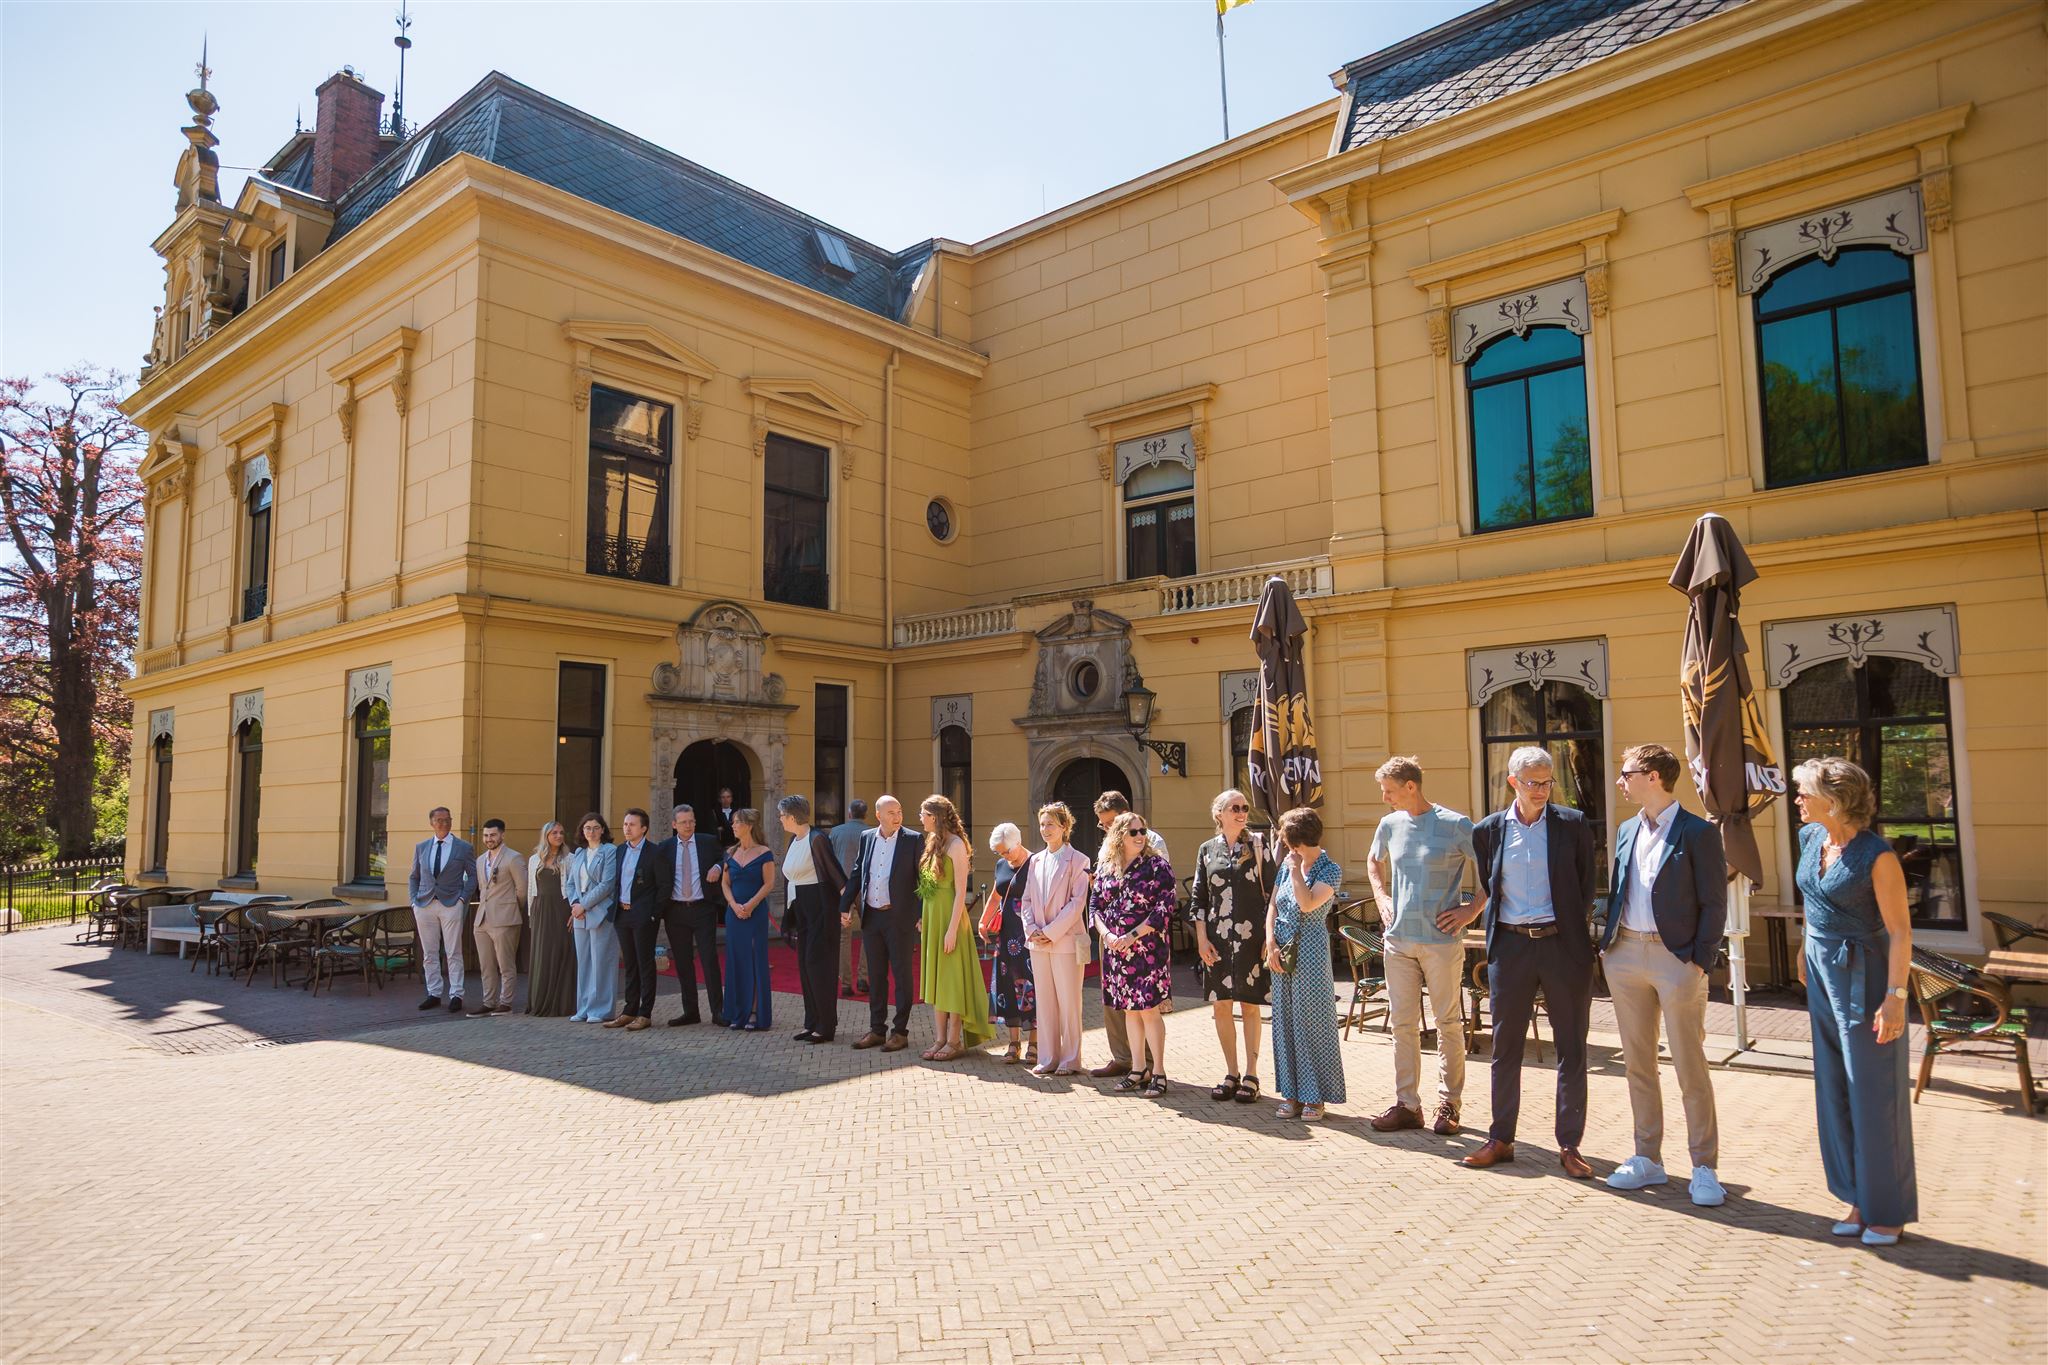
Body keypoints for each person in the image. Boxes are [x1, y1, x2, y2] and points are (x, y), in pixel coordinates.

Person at [1793, 756, 1916, 1246]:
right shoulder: (1809, 839)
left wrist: (1896, 998)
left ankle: (1887, 1210)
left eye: (1804, 791)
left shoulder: (1877, 856)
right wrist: (1804, 949)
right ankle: (1858, 1197)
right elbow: (1811, 899)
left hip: (1864, 975)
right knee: (1834, 1088)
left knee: (1873, 1092)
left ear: (1834, 800)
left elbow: (1901, 932)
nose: (1797, 799)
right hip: (1821, 972)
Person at [1460, 746, 1599, 1177]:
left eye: (1547, 781)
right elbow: (1489, 884)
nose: (1542, 790)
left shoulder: (1572, 825)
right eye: (1533, 782)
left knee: (1572, 1049)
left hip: (1562, 946)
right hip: (1512, 949)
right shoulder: (1488, 831)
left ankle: (1570, 1145)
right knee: (1505, 1049)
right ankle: (1500, 1138)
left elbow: (1585, 887)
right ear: (1513, 782)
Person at [1599, 742, 1728, 1206]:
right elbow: (1619, 890)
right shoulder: (1627, 829)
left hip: (1677, 960)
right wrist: (1607, 947)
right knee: (1638, 1063)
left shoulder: (1698, 832)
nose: (1621, 781)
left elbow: (1714, 902)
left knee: (1690, 1065)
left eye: (1627, 772)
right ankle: (1647, 1157)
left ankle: (1704, 1166)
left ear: (1652, 776)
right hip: (1626, 955)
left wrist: (1699, 959)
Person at [1366, 758, 1481, 1136]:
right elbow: (1373, 861)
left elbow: (1493, 872)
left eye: (1389, 790)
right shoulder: (1389, 825)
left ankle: (1449, 1105)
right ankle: (1407, 1105)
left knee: (1448, 1023)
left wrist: (1470, 909)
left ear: (1410, 786)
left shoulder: (1456, 825)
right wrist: (1381, 896)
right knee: (1402, 1025)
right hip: (1398, 941)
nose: (1385, 799)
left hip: (1442, 942)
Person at [1190, 789, 1272, 1105]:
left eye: (1244, 807)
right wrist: (1201, 939)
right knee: (1221, 1005)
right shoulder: (1207, 850)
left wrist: (1269, 936)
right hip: (1217, 941)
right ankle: (1231, 1072)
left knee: (1249, 1005)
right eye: (1233, 808)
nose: (1240, 812)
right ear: (1219, 814)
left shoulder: (1259, 846)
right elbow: (1199, 898)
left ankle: (1252, 1074)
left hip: (1252, 939)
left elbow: (1274, 892)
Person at [1267, 806, 1346, 1120]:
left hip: (1310, 949)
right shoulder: (1286, 866)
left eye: (1286, 840)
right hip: (1281, 947)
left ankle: (1316, 1097)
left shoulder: (1330, 869)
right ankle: (1292, 1094)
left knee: (1312, 1022)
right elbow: (1273, 904)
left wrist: (1298, 871)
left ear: (1295, 841)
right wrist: (1270, 942)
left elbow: (1307, 902)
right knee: (1284, 1021)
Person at [1092, 811, 1175, 1097]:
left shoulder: (1156, 866)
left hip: (1147, 950)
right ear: (1119, 836)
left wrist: (1131, 935)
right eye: (1134, 832)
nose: (1140, 837)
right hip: (1116, 950)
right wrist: (1108, 935)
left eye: (1143, 831)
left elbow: (1164, 907)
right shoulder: (1107, 866)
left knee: (1149, 1010)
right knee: (1129, 1010)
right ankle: (1138, 1069)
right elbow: (1096, 906)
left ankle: (1160, 1072)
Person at [842, 796, 922, 1052]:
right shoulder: (867, 838)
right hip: (872, 917)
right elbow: (857, 873)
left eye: (899, 811)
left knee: (901, 975)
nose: (897, 817)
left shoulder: (913, 839)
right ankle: (877, 1030)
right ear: (878, 815)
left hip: (899, 918)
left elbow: (923, 880)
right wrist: (844, 905)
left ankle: (900, 1032)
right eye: (891, 812)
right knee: (875, 977)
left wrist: (920, 914)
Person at [917, 795, 993, 1061]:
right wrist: (924, 917)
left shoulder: (957, 845)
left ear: (936, 817)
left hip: (951, 918)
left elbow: (961, 892)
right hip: (933, 916)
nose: (920, 818)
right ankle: (939, 1039)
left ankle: (954, 1040)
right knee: (938, 980)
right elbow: (928, 887)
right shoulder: (931, 842)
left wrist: (951, 930)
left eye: (924, 814)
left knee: (952, 980)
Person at [1019, 802, 1092, 1077]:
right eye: (1042, 824)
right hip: (1037, 941)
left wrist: (1050, 932)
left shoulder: (1079, 860)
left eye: (1051, 824)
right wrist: (1032, 929)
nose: (1045, 829)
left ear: (1064, 826)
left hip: (1065, 941)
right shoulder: (1035, 860)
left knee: (1069, 1001)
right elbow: (1025, 899)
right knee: (1045, 1000)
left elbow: (1077, 903)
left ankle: (1070, 1058)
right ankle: (1048, 1056)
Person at [780, 795, 848, 1042]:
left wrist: (846, 908)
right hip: (800, 908)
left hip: (819, 908)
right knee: (805, 967)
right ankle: (811, 1022)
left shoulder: (817, 839)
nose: (780, 819)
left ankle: (825, 1026)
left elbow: (835, 874)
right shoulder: (793, 840)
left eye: (781, 815)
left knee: (818, 967)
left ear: (791, 816)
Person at [658, 804, 725, 1026]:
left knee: (709, 960)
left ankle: (718, 1011)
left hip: (703, 909)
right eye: (683, 822)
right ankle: (691, 1012)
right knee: (683, 963)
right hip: (675, 911)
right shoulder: (664, 848)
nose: (688, 825)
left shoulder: (707, 842)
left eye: (691, 821)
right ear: (674, 825)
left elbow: (726, 858)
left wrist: (717, 866)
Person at [407, 806, 478, 1014]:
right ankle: (434, 993)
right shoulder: (422, 847)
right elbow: (414, 876)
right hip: (425, 904)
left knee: (453, 951)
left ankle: (456, 993)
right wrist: (413, 901)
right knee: (429, 953)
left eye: (447, 820)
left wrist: (463, 899)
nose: (443, 823)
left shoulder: (462, 848)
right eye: (439, 820)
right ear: (431, 823)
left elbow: (472, 875)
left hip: (451, 904)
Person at [609, 808, 668, 1032]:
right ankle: (629, 1010)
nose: (627, 828)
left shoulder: (655, 852)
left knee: (645, 964)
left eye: (632, 824)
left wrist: (654, 914)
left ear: (643, 828)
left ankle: (645, 1013)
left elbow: (664, 886)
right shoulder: (620, 850)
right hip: (622, 914)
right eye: (625, 824)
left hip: (644, 915)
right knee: (630, 964)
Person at [984, 822, 1037, 1065]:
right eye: (1000, 853)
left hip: (1028, 935)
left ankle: (1035, 1043)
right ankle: (1013, 1043)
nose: (1004, 856)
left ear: (1018, 842)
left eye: (1007, 851)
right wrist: (984, 921)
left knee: (1030, 988)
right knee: (1007, 987)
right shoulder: (1001, 865)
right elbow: (997, 894)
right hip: (1005, 936)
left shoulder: (1036, 863)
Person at [721, 809, 777, 1030]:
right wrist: (734, 905)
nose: (733, 826)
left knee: (754, 959)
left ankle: (754, 1012)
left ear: (749, 825)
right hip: (734, 914)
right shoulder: (730, 852)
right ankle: (737, 1011)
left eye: (737, 822)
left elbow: (769, 883)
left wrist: (751, 905)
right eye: (733, 823)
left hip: (755, 914)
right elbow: (725, 883)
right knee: (736, 961)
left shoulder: (765, 852)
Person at [566, 814, 620, 1023]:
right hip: (580, 914)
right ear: (582, 831)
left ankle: (602, 1010)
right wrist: (574, 905)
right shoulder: (579, 853)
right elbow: (570, 883)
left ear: (603, 830)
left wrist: (584, 905)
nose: (591, 832)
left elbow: (607, 884)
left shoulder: (609, 851)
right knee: (585, 963)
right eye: (587, 828)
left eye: (596, 828)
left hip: (601, 913)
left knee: (602, 963)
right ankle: (584, 1008)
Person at [471, 818, 527, 1017]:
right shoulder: (479, 860)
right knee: (486, 965)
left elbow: (522, 890)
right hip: (482, 919)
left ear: (502, 835)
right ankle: (489, 1001)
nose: (489, 839)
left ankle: (506, 1002)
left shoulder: (514, 858)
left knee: (506, 964)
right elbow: (482, 889)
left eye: (493, 835)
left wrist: (511, 909)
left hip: (505, 918)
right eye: (486, 835)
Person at [525, 821, 578, 1017]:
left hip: (562, 909)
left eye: (561, 833)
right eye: (554, 832)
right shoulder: (533, 860)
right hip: (540, 910)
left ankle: (561, 1004)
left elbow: (575, 888)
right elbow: (531, 889)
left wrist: (574, 912)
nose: (558, 836)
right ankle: (539, 1002)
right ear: (546, 835)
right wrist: (531, 915)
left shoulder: (570, 859)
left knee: (562, 952)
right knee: (542, 954)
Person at [831, 798, 871, 997]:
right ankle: (863, 977)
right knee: (869, 933)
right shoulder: (871, 833)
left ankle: (845, 982)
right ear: (865, 815)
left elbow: (829, 861)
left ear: (849, 814)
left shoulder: (836, 832)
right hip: (865, 888)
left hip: (842, 888)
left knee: (843, 936)